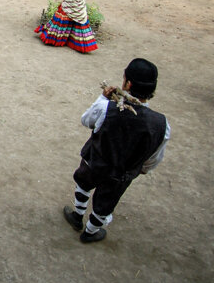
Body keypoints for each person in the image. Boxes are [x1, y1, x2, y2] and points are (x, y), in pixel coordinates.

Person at [62, 58, 170, 243]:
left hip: (94, 162)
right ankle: (90, 231)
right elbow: (154, 156)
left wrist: (102, 97)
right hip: (122, 175)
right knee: (106, 201)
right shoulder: (161, 124)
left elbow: (86, 120)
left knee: (84, 183)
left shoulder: (107, 107)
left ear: (127, 84)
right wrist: (142, 168)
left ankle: (77, 216)